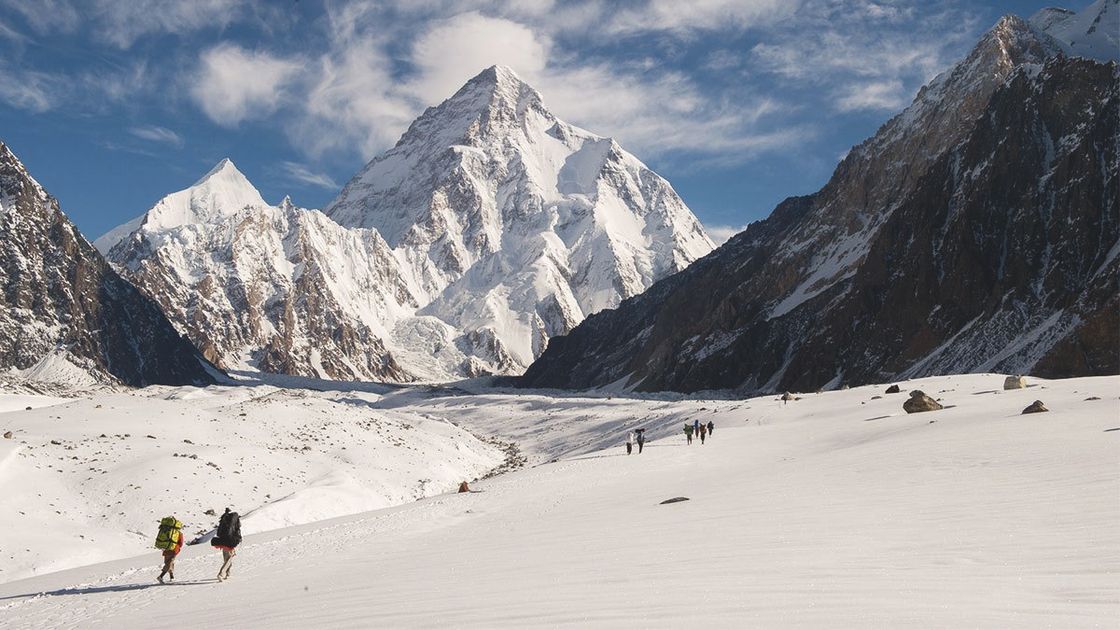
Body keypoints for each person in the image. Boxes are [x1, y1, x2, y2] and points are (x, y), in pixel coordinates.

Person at [211, 508, 242, 582]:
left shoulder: (225, 522)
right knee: (229, 559)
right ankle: (221, 574)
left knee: (226, 559)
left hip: (222, 542)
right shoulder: (234, 525)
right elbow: (237, 534)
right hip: (229, 544)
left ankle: (227, 574)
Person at [154, 516, 184, 584]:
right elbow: (181, 543)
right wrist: (177, 547)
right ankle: (161, 576)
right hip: (174, 550)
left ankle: (171, 576)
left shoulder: (166, 531)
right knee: (169, 563)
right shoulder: (179, 533)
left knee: (169, 562)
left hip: (165, 548)